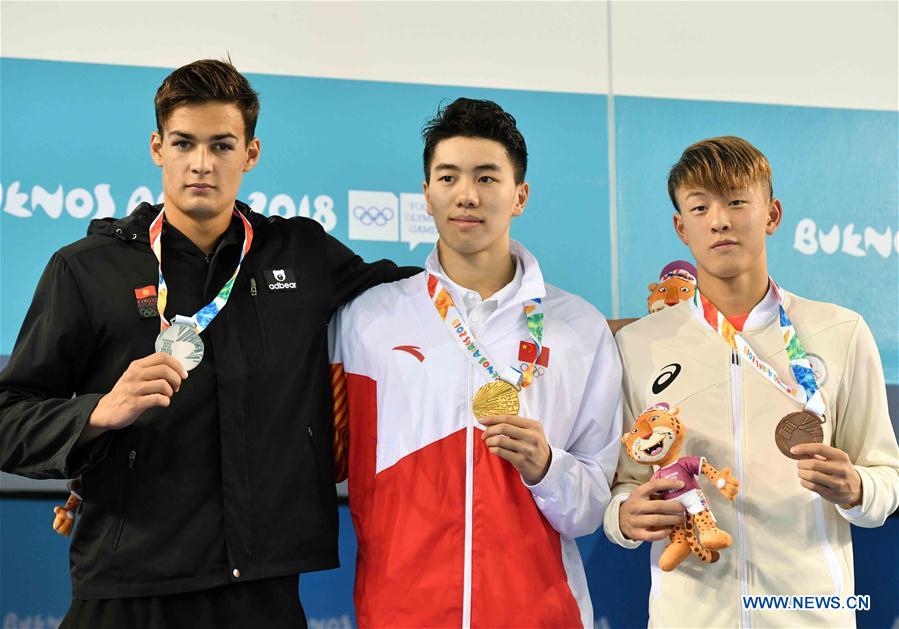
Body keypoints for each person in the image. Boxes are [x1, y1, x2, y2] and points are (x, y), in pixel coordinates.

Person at [0, 59, 415, 628]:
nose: (202, 163)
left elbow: (417, 294)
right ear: (157, 147)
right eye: (184, 143)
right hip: (128, 593)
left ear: (251, 154)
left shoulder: (298, 255)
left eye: (222, 145)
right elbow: (9, 420)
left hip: (261, 593)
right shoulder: (86, 269)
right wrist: (97, 412)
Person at [329, 98, 623, 627]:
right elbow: (324, 457)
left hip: (540, 615)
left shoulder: (579, 329)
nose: (467, 195)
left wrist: (546, 467)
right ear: (427, 193)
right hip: (399, 613)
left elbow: (590, 511)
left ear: (520, 196)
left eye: (487, 178)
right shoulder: (366, 321)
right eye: (448, 177)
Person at [603, 136, 899, 627]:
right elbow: (622, 486)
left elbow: (886, 476)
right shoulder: (639, 345)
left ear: (772, 214)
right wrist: (623, 519)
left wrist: (857, 489)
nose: (719, 220)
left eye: (737, 201)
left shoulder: (840, 332)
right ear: (681, 227)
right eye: (700, 207)